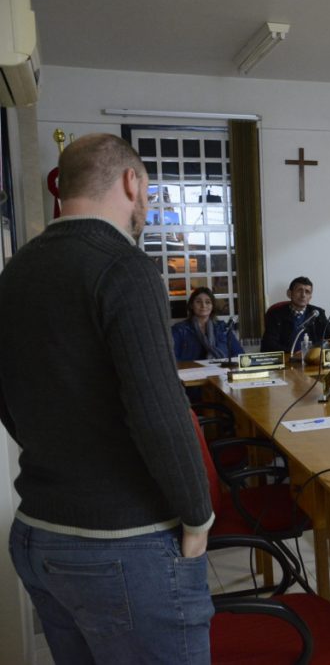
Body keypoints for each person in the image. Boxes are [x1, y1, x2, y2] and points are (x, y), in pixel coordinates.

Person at [0, 133, 214, 663]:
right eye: (148, 191)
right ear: (130, 181)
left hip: (37, 532)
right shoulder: (124, 266)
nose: (146, 205)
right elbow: (160, 412)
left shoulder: (15, 269)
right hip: (123, 542)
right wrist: (197, 517)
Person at [260, 275, 330, 354]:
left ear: (310, 297)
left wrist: (327, 345)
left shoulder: (317, 313)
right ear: (289, 293)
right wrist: (293, 353)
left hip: (312, 359)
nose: (303, 295)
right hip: (287, 358)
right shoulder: (276, 314)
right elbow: (268, 344)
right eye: (299, 290)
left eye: (307, 292)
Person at [172, 286, 244, 361]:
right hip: (192, 368)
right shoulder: (179, 329)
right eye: (198, 302)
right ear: (191, 305)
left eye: (208, 302)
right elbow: (173, 358)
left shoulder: (223, 328)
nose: (203, 305)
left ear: (212, 306)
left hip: (221, 367)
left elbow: (239, 353)